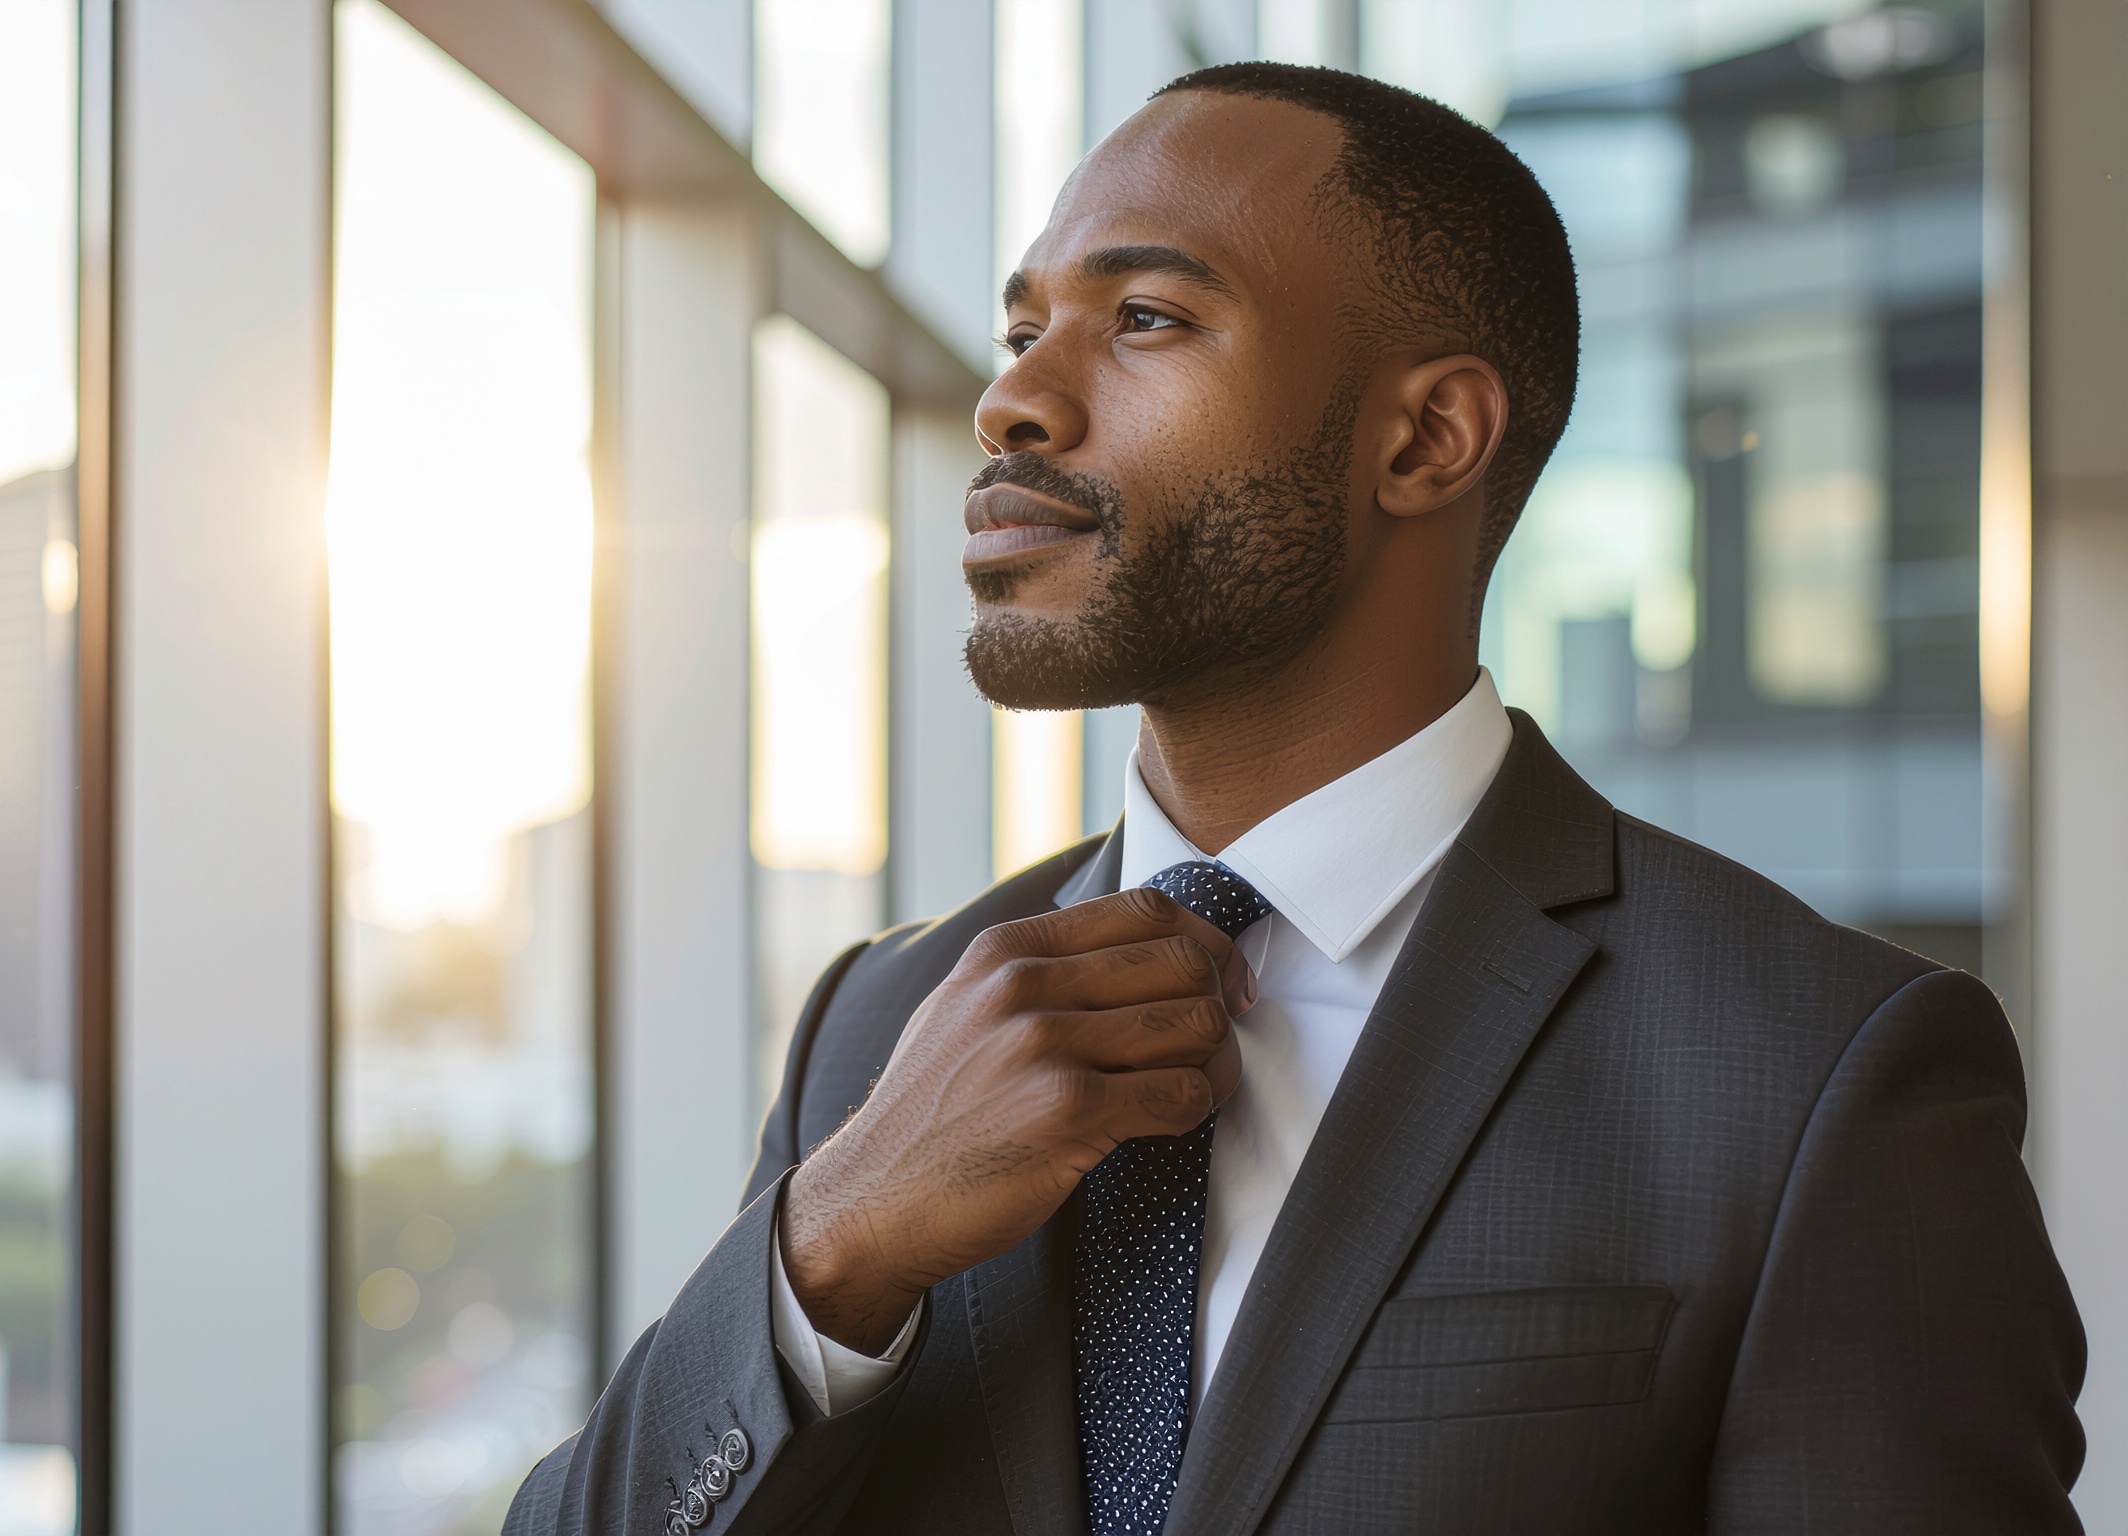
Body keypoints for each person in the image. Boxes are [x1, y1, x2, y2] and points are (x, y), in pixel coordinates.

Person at [505, 63, 2084, 1536]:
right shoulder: (883, 1025)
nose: (1014, 407)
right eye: (1016, 332)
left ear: (1425, 436)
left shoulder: (1816, 1078)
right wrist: (828, 1245)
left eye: (1142, 318)